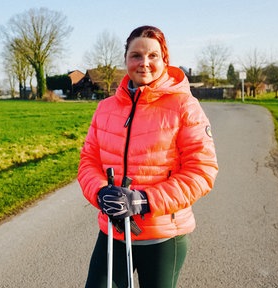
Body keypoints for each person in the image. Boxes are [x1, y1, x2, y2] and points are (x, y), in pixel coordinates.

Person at [78, 25, 218, 288]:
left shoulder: (185, 106)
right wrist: (99, 193)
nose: (144, 63)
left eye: (153, 55)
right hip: (113, 231)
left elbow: (202, 171)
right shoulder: (105, 108)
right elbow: (88, 161)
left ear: (165, 59)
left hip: (163, 236)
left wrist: (144, 200)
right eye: (136, 55)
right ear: (126, 60)